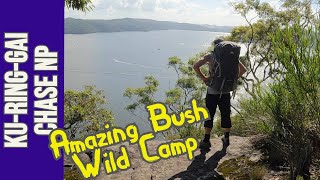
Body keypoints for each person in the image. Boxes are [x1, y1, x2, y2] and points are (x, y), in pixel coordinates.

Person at [193, 38, 247, 149]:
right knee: (226, 113)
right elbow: (243, 70)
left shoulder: (211, 56)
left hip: (213, 90)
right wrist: (233, 78)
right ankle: (226, 138)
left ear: (216, 47)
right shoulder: (232, 57)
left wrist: (204, 78)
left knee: (209, 115)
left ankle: (206, 140)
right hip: (226, 90)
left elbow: (195, 66)